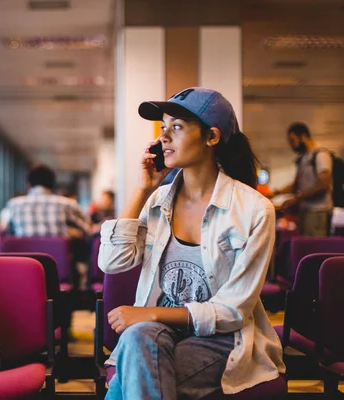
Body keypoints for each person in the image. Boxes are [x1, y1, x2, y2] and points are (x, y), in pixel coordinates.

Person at [98, 87, 284, 399]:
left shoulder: (253, 209)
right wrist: (142, 190)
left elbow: (234, 311)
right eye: (162, 128)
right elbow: (112, 263)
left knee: (133, 376)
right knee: (138, 342)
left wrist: (150, 313)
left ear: (212, 137)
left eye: (177, 127)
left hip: (222, 339)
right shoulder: (158, 200)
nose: (163, 138)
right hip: (158, 334)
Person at [270, 122, 333, 237]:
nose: (291, 145)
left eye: (293, 141)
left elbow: (323, 184)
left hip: (318, 211)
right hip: (305, 210)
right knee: (305, 246)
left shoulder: (320, 155)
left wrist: (297, 198)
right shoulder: (304, 157)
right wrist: (275, 193)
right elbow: (296, 185)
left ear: (303, 136)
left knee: (315, 248)